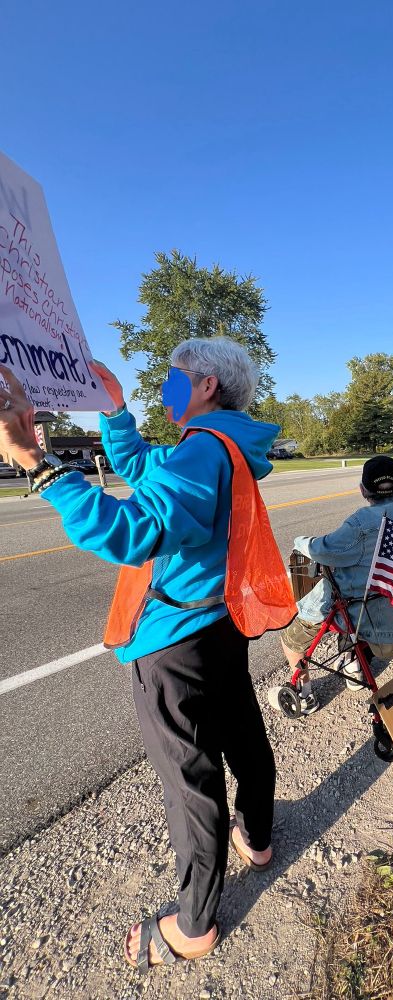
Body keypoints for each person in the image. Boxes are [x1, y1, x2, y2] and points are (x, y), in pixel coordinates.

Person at [0, 338, 296, 973]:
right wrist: (115, 411)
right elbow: (145, 472)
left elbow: (131, 532)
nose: (165, 388)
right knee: (244, 736)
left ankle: (194, 925)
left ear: (206, 384)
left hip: (174, 640)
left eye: (172, 379)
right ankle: (260, 837)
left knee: (190, 777)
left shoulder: (201, 450)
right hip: (219, 622)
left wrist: (42, 467)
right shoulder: (223, 445)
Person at [279, 456, 393, 714]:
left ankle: (304, 694)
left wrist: (300, 541)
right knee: (354, 585)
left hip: (364, 618)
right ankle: (352, 664)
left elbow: (321, 550)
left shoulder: (361, 523)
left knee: (302, 575)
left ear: (363, 489)